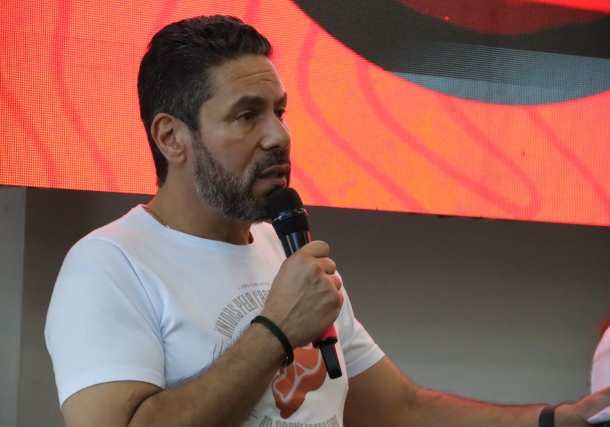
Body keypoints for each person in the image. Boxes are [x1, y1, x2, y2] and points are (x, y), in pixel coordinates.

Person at [45, 15, 610, 427]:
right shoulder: (110, 265)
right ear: (172, 137)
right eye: (247, 115)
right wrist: (275, 333)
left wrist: (553, 419)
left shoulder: (287, 252)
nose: (279, 135)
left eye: (279, 111)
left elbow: (402, 410)